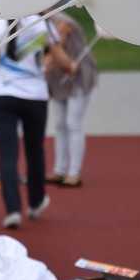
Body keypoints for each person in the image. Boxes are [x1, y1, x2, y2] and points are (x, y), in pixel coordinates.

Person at [0, 16, 73, 230]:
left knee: (7, 153)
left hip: (2, 95)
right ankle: (36, 202)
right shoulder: (43, 23)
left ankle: (13, 210)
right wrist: (71, 65)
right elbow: (63, 63)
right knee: (34, 150)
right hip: (35, 97)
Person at [44, 11, 99, 188]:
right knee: (60, 124)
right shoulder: (37, 25)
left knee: (72, 123)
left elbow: (55, 48)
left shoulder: (62, 22)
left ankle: (73, 173)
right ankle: (59, 170)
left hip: (77, 75)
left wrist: (37, 73)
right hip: (58, 78)